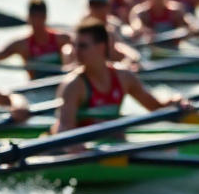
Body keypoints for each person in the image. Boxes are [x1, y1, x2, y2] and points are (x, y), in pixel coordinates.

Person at [52, 19, 189, 135]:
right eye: (75, 45)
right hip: (83, 149)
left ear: (101, 47)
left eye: (82, 46)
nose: (76, 51)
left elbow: (156, 107)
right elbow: (65, 129)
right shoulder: (73, 86)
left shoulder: (123, 77)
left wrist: (176, 102)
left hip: (111, 145)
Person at [0, 0, 73, 79]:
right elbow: (1, 54)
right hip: (38, 89)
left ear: (45, 17)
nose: (37, 22)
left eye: (40, 18)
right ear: (28, 18)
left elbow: (79, 44)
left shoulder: (62, 39)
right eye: (34, 18)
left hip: (59, 83)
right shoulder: (22, 45)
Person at [82, 0, 143, 69]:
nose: (98, 9)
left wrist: (127, 63)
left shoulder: (114, 26)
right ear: (89, 6)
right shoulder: (82, 28)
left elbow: (131, 53)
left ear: (107, 5)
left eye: (101, 4)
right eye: (94, 4)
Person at [130, 0, 197, 40]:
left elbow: (189, 22)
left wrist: (191, 28)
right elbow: (136, 25)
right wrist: (144, 31)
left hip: (173, 45)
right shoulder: (141, 12)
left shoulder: (176, 11)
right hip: (151, 45)